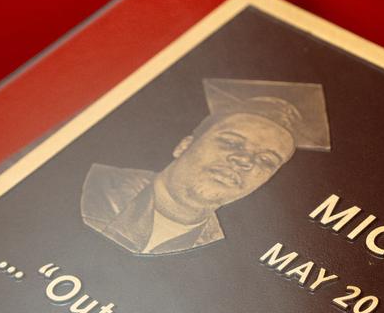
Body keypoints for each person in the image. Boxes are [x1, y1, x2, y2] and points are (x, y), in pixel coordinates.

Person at [81, 78, 330, 255]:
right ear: (184, 145)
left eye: (266, 160)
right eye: (231, 142)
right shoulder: (95, 187)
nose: (244, 161)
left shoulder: (225, 254)